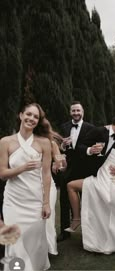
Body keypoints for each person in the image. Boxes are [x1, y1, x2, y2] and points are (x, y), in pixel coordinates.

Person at [0, 103, 55, 270]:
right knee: (14, 239)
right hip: (13, 200)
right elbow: (2, 174)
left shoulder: (44, 143)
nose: (31, 118)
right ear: (20, 115)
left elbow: (46, 175)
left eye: (36, 117)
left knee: (35, 240)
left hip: (35, 199)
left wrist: (46, 202)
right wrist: (23, 167)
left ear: (38, 121)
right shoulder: (5, 142)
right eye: (29, 114)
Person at [57, 101, 94, 242]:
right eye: (73, 111)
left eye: (78, 110)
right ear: (70, 112)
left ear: (83, 112)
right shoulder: (64, 126)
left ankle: (89, 231)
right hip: (68, 169)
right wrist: (63, 145)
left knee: (87, 200)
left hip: (85, 169)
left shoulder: (90, 128)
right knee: (64, 200)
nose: (76, 113)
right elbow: (60, 149)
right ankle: (64, 232)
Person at [80, 112, 115, 177]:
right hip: (90, 174)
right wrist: (90, 150)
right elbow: (80, 146)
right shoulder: (98, 131)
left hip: (108, 177)